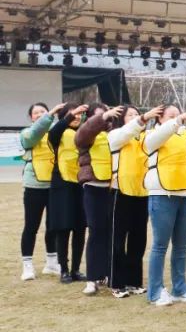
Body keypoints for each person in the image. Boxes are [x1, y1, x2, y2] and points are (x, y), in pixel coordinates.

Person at [74, 103, 150, 295]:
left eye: (108, 114)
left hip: (115, 188)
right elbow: (82, 134)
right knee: (97, 231)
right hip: (95, 186)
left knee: (113, 233)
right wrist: (103, 117)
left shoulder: (122, 134)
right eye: (100, 115)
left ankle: (111, 274)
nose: (106, 118)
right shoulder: (90, 134)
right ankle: (93, 277)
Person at [144, 104, 186, 306]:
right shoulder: (152, 135)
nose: (179, 118)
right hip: (162, 194)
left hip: (185, 194)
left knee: (182, 246)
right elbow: (157, 139)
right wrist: (176, 121)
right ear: (160, 119)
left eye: (180, 115)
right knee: (160, 245)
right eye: (171, 115)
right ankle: (155, 291)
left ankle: (180, 287)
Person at [112, 105, 163, 296]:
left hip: (142, 193)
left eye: (137, 114)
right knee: (118, 240)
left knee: (138, 239)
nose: (135, 118)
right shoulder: (117, 135)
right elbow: (125, 133)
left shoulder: (146, 137)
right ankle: (117, 283)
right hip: (121, 192)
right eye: (130, 115)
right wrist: (142, 118)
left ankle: (134, 281)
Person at [19, 102, 64, 281]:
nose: (39, 114)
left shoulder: (56, 132)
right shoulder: (26, 132)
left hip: (54, 185)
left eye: (42, 111)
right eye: (36, 113)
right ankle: (27, 265)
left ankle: (51, 263)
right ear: (31, 117)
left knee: (53, 226)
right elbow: (34, 135)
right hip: (34, 186)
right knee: (31, 226)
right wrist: (50, 114)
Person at [48, 103, 90, 283]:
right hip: (62, 184)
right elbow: (54, 132)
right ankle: (63, 269)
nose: (77, 118)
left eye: (80, 115)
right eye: (74, 115)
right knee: (63, 228)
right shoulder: (58, 133)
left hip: (81, 183)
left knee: (80, 228)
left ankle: (75, 270)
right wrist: (70, 114)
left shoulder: (84, 133)